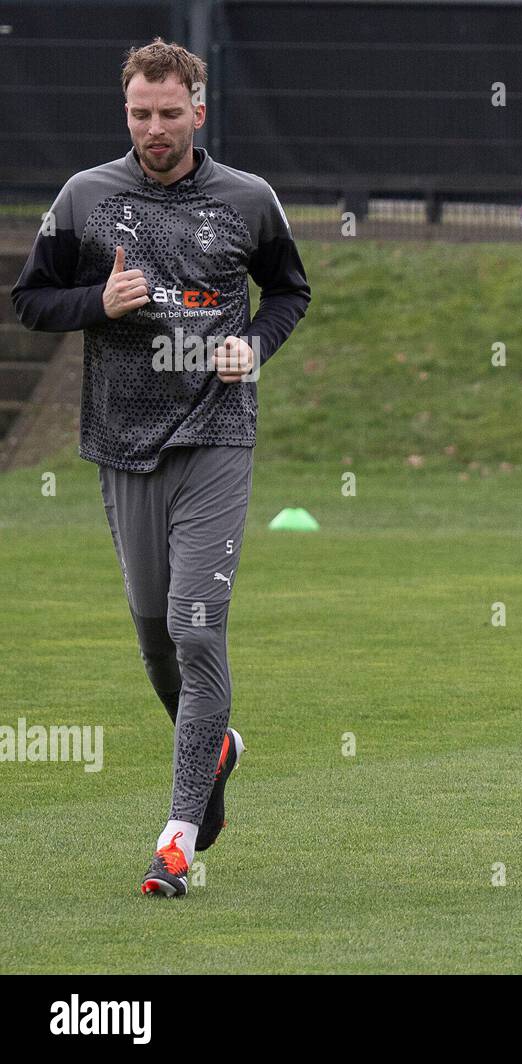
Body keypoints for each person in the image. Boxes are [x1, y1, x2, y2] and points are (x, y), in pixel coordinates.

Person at [11, 39, 311, 897]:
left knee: (193, 623)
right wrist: (93, 303)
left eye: (169, 113)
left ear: (200, 111)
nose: (154, 129)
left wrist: (252, 347)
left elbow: (289, 292)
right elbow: (31, 301)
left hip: (216, 436)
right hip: (121, 440)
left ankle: (177, 838)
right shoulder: (85, 198)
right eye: (140, 114)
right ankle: (214, 745)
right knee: (153, 635)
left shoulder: (248, 199)